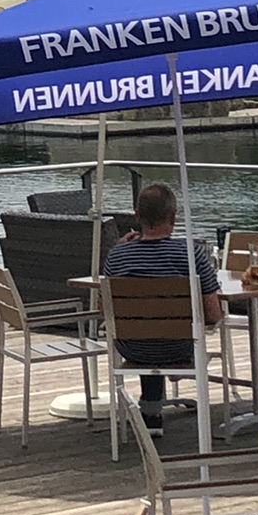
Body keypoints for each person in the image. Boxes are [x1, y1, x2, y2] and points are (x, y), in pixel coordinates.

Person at [104, 183, 222, 427]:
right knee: (163, 335)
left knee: (146, 331)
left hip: (133, 348)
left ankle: (151, 412)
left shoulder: (117, 256)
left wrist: (119, 248)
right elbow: (213, 313)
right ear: (173, 218)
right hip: (178, 348)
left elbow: (102, 309)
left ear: (137, 216)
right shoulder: (191, 254)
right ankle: (156, 406)